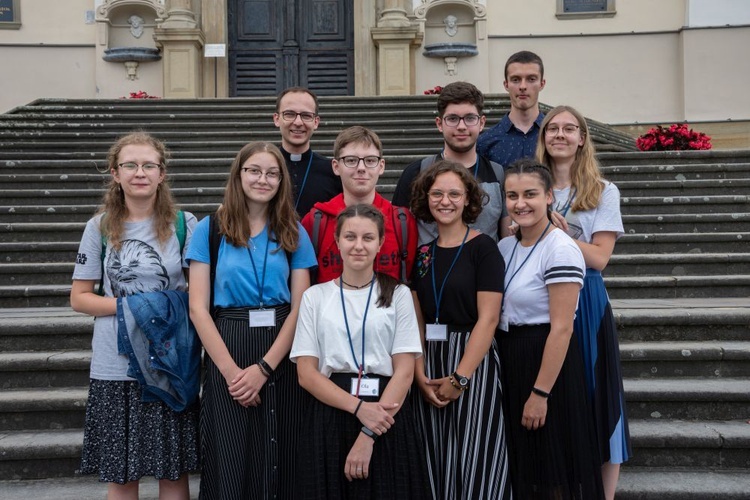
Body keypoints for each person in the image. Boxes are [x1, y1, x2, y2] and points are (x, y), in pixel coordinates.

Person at [70, 131, 199, 499]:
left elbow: (198, 292)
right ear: (115, 173)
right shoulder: (99, 227)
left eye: (148, 165)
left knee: (172, 475)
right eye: (130, 165)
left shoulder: (184, 224)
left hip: (167, 362)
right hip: (115, 364)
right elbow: (80, 298)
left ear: (162, 173)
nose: (139, 172)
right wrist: (137, 306)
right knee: (121, 478)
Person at [186, 141, 317, 499]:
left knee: (282, 450)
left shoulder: (294, 230)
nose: (263, 179)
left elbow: (301, 305)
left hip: (281, 350)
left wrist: (263, 368)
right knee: (230, 455)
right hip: (227, 345)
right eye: (254, 171)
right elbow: (198, 308)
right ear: (239, 174)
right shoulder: (209, 230)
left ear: (281, 181)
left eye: (272, 173)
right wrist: (232, 373)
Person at [291, 204, 429, 499]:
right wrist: (358, 409)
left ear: (380, 244)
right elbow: (306, 374)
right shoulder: (315, 297)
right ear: (337, 241)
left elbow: (404, 372)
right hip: (331, 411)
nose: (358, 246)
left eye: (368, 238)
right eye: (350, 237)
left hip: (386, 412)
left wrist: (369, 432)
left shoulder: (399, 294)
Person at [537, 105, 631, 500]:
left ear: (581, 138)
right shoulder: (533, 186)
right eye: (552, 128)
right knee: (557, 394)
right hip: (542, 296)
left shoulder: (603, 190)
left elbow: (600, 258)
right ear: (543, 138)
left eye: (569, 128)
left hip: (588, 298)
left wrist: (555, 232)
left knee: (598, 393)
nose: (560, 134)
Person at [498, 158, 604, 498]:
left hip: (545, 359)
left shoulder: (561, 248)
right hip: (511, 354)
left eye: (530, 194)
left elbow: (562, 328)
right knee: (524, 464)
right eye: (512, 196)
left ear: (548, 197)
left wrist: (540, 394)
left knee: (551, 463)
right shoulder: (505, 246)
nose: (520, 203)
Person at [409, 160, 512, 500]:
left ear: (469, 200)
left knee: (475, 456)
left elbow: (489, 319)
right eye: (437, 193)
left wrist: (460, 378)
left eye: (454, 193)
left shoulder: (484, 249)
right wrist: (419, 372)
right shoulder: (422, 255)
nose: (445, 201)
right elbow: (417, 318)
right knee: (435, 457)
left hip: (472, 359)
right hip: (429, 359)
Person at [392, 81, 511, 244]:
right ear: (439, 124)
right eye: (453, 118)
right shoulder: (416, 173)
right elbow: (398, 236)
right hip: (431, 268)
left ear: (481, 123)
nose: (461, 126)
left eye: (470, 118)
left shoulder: (498, 175)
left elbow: (508, 238)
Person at [301, 125, 418, 284]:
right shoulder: (315, 222)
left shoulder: (402, 222)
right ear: (336, 166)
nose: (361, 168)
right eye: (351, 160)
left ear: (381, 166)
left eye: (370, 160)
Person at [273, 86, 342, 216]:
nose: (298, 122)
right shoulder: (262, 169)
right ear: (277, 119)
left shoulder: (333, 172)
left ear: (316, 122)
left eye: (306, 115)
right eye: (289, 114)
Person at [477, 50, 546, 169]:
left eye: (531, 79)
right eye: (515, 79)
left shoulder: (554, 136)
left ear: (542, 84)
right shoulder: (486, 142)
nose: (523, 86)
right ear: (506, 84)